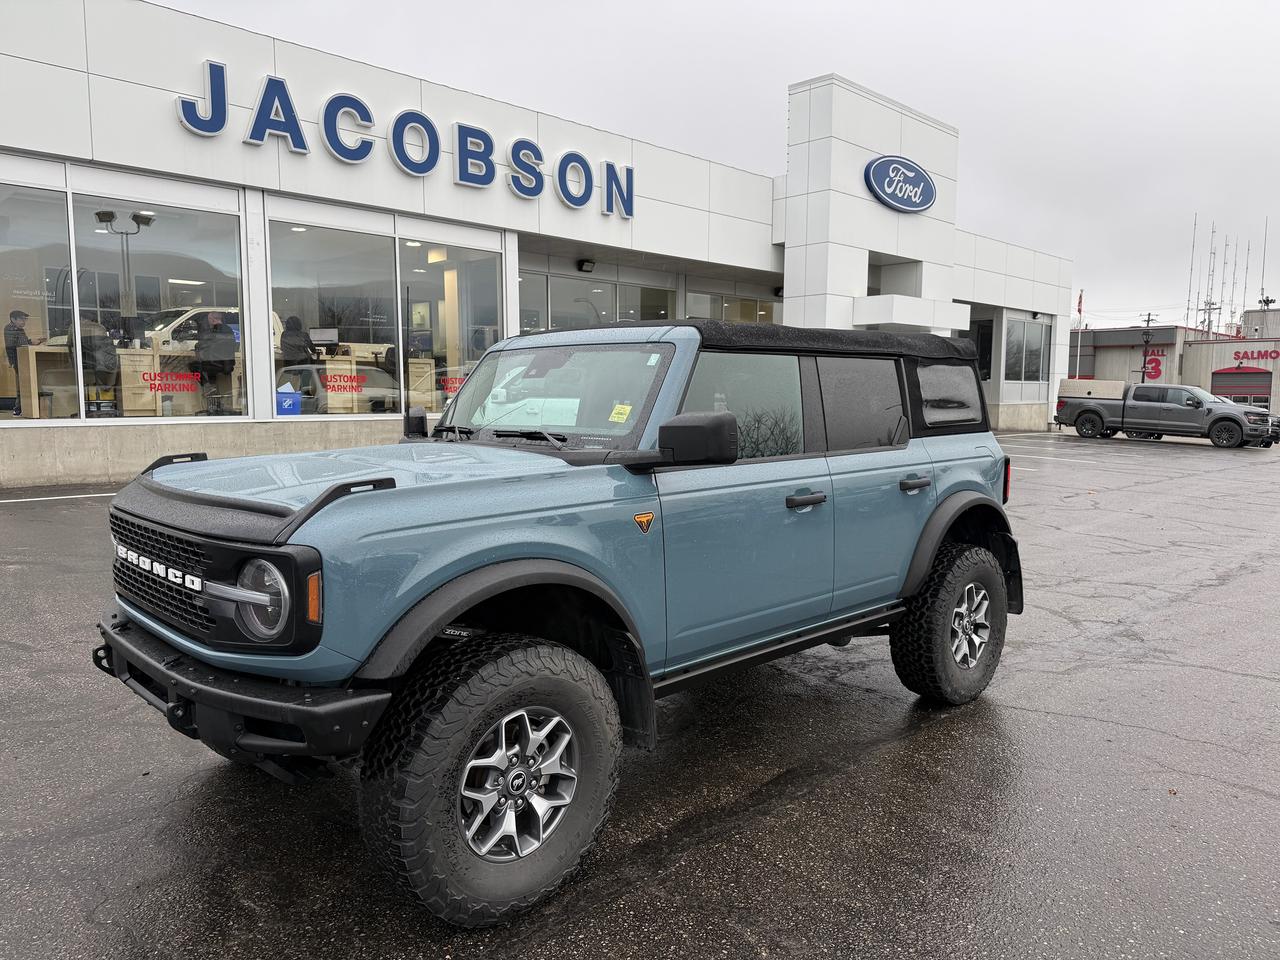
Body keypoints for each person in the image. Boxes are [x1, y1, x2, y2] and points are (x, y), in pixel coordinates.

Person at [193, 311, 237, 414]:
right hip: (228, 366)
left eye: (209, 320)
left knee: (194, 365)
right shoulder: (229, 330)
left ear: (212, 319)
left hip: (213, 365)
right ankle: (217, 400)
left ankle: (207, 385)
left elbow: (202, 345)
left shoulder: (213, 331)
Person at [4, 310, 46, 418]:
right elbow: (12, 346)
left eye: (25, 319)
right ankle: (18, 409)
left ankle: (22, 408)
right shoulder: (10, 329)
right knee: (22, 385)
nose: (24, 321)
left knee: (24, 384)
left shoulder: (20, 330)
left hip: (24, 359)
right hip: (19, 360)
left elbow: (23, 342)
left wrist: (32, 341)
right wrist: (12, 362)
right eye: (21, 319)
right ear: (13, 319)